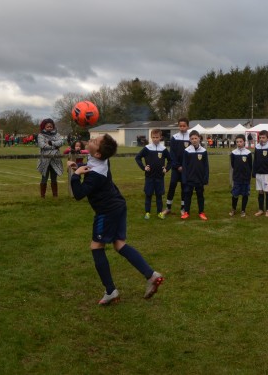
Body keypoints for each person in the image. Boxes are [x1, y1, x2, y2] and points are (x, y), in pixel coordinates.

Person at [67, 134, 164, 305]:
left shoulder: (95, 175)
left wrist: (75, 175)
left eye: (94, 141)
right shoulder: (101, 161)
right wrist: (80, 166)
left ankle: (111, 291)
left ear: (98, 153)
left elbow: (78, 194)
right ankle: (151, 275)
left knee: (96, 246)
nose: (90, 140)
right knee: (119, 244)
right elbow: (91, 166)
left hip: (107, 212)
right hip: (118, 205)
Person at [134, 128, 171, 220]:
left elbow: (171, 160)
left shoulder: (163, 149)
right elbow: (138, 158)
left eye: (157, 137)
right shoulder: (147, 148)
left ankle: (159, 213)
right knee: (148, 195)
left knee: (159, 195)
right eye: (153, 137)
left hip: (159, 177)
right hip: (149, 177)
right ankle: (147, 212)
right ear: (151, 137)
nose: (155, 139)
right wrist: (144, 167)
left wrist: (166, 169)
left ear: (160, 137)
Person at [161, 117, 191, 218]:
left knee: (184, 188)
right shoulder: (174, 137)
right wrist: (177, 166)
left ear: (187, 126)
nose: (182, 128)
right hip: (176, 168)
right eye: (180, 126)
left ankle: (183, 208)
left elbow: (191, 154)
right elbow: (172, 154)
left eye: (184, 126)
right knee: (172, 186)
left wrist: (185, 167)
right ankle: (168, 207)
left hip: (186, 169)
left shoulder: (191, 137)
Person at [182, 129, 210, 220]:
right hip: (189, 178)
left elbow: (206, 166)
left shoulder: (204, 151)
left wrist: (205, 178)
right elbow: (184, 166)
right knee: (187, 195)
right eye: (192, 138)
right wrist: (184, 178)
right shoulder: (186, 151)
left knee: (200, 196)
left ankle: (201, 212)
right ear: (190, 140)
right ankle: (186, 212)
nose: (194, 140)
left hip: (199, 178)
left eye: (195, 138)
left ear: (199, 139)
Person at [37, 118, 64, 198]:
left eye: (51, 126)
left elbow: (61, 142)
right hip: (45, 159)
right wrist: (54, 147)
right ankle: (42, 196)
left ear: (53, 127)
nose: (49, 128)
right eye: (47, 127)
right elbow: (42, 145)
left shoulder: (57, 134)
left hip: (55, 159)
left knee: (54, 178)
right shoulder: (41, 135)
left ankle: (55, 195)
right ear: (44, 127)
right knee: (44, 178)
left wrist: (51, 143)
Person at [252, 130, 268, 217]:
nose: (261, 139)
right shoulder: (257, 147)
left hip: (267, 174)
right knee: (260, 191)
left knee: (267, 191)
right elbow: (255, 160)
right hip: (259, 173)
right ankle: (261, 209)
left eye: (263, 137)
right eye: (260, 137)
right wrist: (254, 171)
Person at [229, 134, 253, 217]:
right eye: (237, 142)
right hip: (237, 177)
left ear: (244, 142)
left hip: (246, 177)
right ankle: (233, 209)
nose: (239, 143)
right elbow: (233, 164)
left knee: (245, 194)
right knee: (235, 194)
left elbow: (250, 165)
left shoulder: (248, 153)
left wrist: (248, 174)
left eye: (240, 141)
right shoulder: (233, 153)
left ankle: (243, 210)